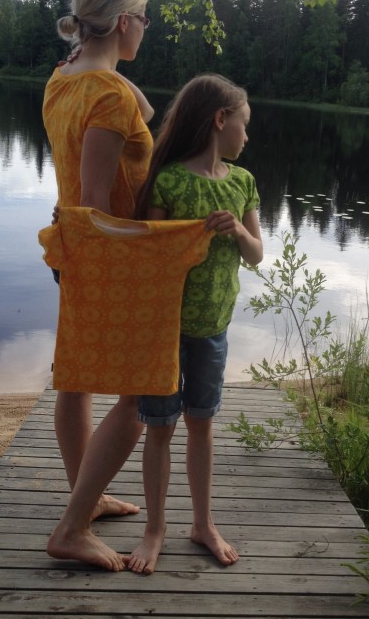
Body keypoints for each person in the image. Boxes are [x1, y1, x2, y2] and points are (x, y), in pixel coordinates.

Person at [127, 73, 264, 575]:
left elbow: (256, 255)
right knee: (160, 428)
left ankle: (203, 524)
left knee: (201, 425)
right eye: (244, 124)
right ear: (220, 120)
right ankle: (155, 529)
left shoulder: (243, 182)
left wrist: (237, 231)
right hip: (163, 328)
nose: (247, 136)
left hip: (213, 329)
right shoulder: (168, 180)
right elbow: (147, 252)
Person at [43, 0, 154, 571]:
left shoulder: (63, 78)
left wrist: (111, 68)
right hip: (109, 256)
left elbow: (142, 111)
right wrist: (159, 245)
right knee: (139, 396)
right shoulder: (107, 94)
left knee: (77, 380)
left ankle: (87, 500)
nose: (148, 28)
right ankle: (72, 527)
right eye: (144, 18)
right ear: (124, 20)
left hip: (73, 249)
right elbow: (95, 199)